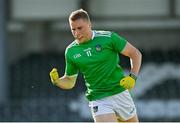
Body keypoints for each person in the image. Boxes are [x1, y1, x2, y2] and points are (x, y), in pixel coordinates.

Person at [49, 9, 142, 122]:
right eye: (73, 29)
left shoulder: (108, 38)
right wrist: (58, 81)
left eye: (80, 28)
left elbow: (135, 54)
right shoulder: (71, 52)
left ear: (89, 24)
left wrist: (132, 77)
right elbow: (70, 81)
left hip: (120, 92)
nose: (76, 33)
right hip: (99, 99)